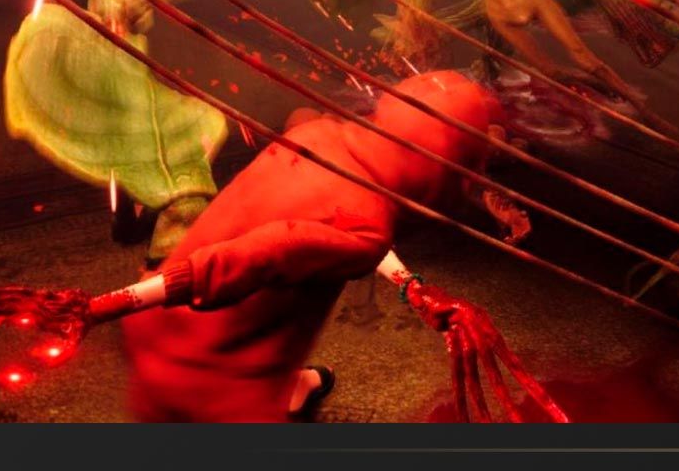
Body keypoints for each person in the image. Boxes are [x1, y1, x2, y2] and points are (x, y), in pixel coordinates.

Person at [122, 70, 538, 422]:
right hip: (215, 386)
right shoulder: (368, 228)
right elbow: (253, 255)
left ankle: (292, 384)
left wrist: (410, 285)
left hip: (159, 327)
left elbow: (341, 231)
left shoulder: (315, 133)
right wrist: (108, 304)